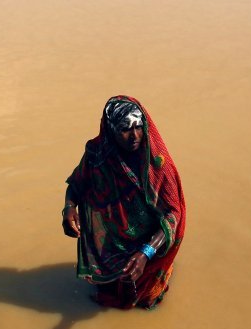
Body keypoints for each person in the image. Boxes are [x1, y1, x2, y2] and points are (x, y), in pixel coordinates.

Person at [62, 95, 186, 309]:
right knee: (110, 289)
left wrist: (145, 253)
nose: (134, 136)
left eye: (139, 127)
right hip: (112, 242)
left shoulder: (157, 164)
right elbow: (77, 184)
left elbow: (173, 214)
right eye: (125, 129)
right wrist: (69, 208)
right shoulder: (97, 154)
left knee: (147, 297)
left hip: (149, 239)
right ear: (111, 130)